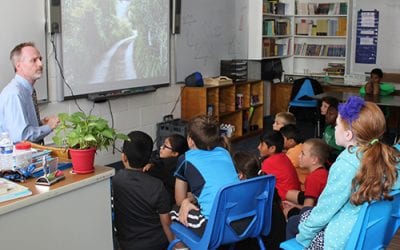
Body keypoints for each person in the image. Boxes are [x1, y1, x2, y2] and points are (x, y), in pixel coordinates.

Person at [295, 96, 400, 249]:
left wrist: (303, 237)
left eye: (337, 125)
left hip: (342, 240)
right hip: (371, 238)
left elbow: (326, 209)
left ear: (348, 135)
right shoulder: (389, 156)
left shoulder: (347, 163)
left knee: (297, 222)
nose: (335, 128)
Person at [171, 115, 239, 236]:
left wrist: (186, 201)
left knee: (175, 211)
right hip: (240, 220)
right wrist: (191, 198)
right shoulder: (224, 152)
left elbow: (179, 200)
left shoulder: (185, 159)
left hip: (214, 227)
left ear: (190, 140)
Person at [112, 131, 174, 250]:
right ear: (148, 159)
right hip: (157, 244)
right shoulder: (157, 186)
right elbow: (166, 223)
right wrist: (176, 245)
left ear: (124, 157)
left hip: (126, 244)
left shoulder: (116, 180)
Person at [0, 42, 59, 143]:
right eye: (34, 60)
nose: (40, 64)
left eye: (40, 59)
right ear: (19, 66)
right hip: (18, 157)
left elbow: (20, 128)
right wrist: (49, 126)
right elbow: (22, 136)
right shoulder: (14, 94)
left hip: (30, 155)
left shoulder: (27, 90)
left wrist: (40, 124)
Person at [284, 138, 330, 238]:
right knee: (290, 195)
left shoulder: (313, 178)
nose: (299, 156)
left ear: (314, 160)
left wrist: (293, 207)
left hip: (317, 217)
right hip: (322, 210)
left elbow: (306, 209)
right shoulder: (324, 172)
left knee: (288, 212)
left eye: (303, 154)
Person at [144, 134, 189, 205]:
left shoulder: (167, 169)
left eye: (165, 146)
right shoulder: (181, 161)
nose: (161, 147)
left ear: (175, 153)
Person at [258, 130, 300, 201]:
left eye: (262, 145)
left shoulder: (268, 162)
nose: (258, 147)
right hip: (296, 196)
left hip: (283, 201)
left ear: (272, 148)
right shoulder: (284, 156)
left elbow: (262, 185)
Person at [280, 124, 306, 190]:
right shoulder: (300, 146)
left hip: (301, 187)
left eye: (281, 139)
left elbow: (282, 168)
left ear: (291, 141)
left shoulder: (293, 152)